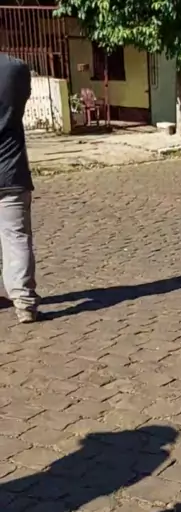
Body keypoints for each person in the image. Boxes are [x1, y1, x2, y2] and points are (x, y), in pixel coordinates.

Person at [0, 53, 39, 323]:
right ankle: (24, 303)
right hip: (10, 169)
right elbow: (23, 100)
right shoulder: (16, 69)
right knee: (16, 237)